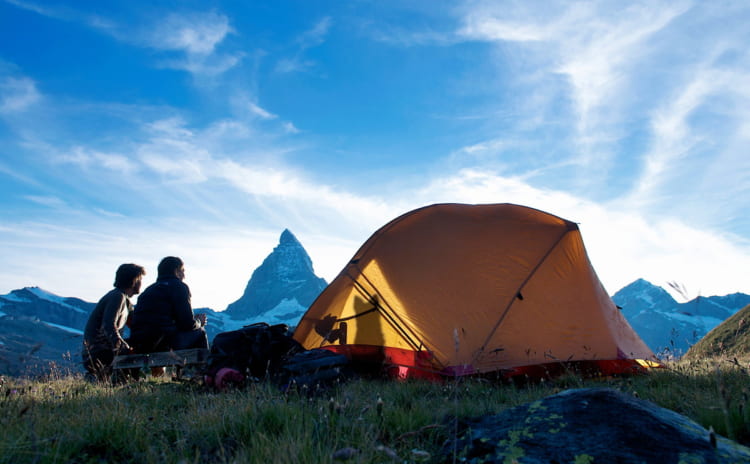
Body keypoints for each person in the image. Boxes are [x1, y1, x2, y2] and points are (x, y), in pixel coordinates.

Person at [129, 256, 208, 353]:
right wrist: (199, 321)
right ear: (177, 271)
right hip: (163, 343)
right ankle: (203, 366)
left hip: (139, 345)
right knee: (200, 333)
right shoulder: (179, 287)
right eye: (183, 271)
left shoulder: (148, 290)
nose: (184, 275)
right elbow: (187, 324)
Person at [82, 263, 146, 381]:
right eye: (140, 279)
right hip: (99, 353)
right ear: (135, 280)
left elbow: (135, 323)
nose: (142, 283)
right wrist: (122, 346)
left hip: (98, 352)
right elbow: (108, 325)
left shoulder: (124, 300)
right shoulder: (117, 297)